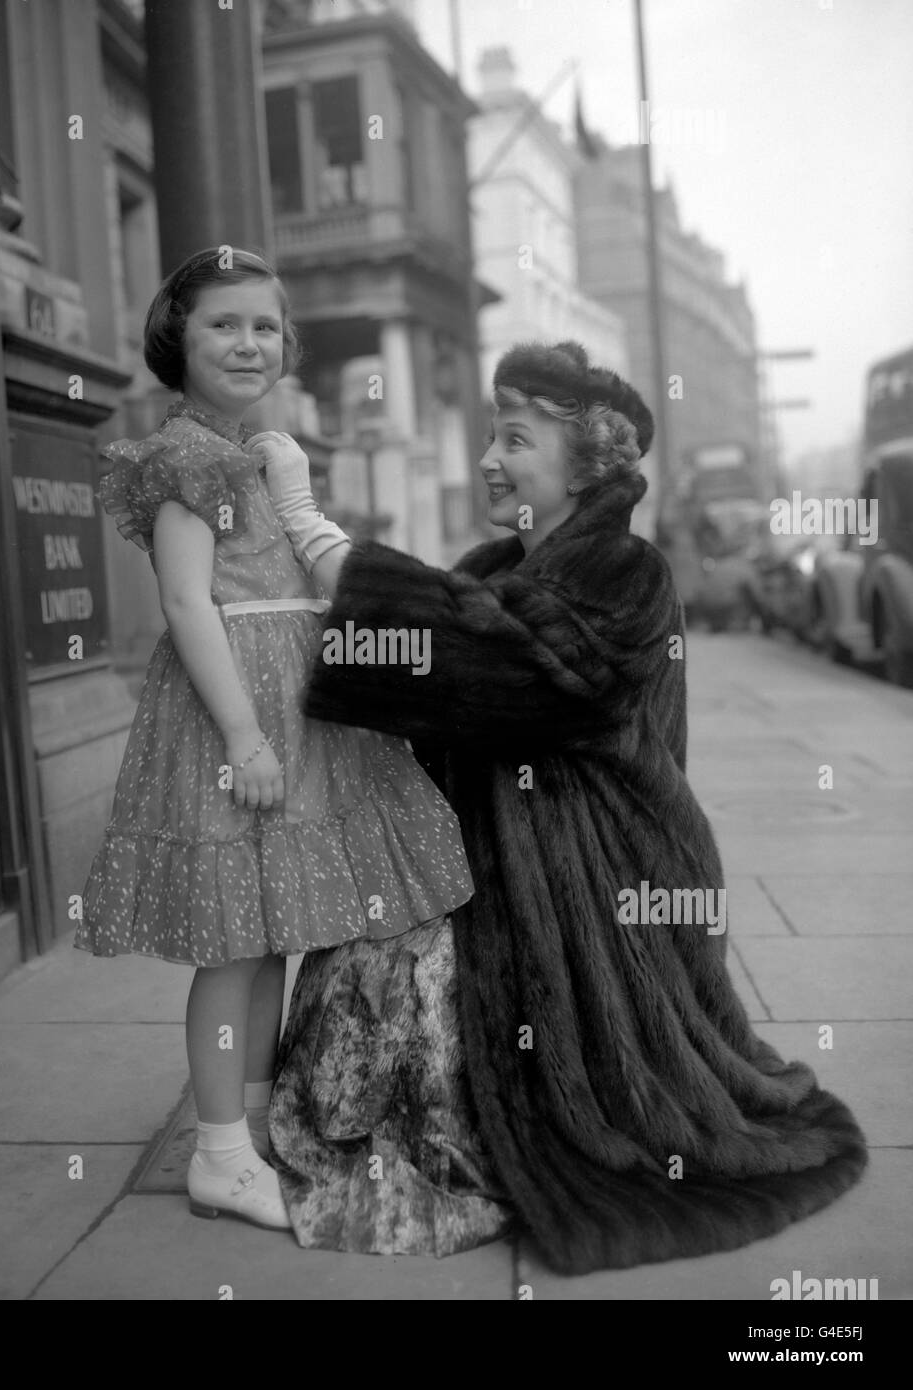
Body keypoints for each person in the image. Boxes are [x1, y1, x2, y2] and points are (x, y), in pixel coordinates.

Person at [252, 341, 867, 1272]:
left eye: (516, 439)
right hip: (492, 840)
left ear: (584, 468)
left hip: (599, 863)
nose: (491, 459)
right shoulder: (496, 560)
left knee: (464, 1038)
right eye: (491, 436)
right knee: (367, 983)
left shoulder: (629, 571)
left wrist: (319, 536)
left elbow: (515, 674)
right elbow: (446, 663)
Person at [75, 247, 473, 1231]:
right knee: (234, 945)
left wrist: (296, 496)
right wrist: (245, 735)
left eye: (265, 325)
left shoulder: (256, 450)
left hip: (294, 689)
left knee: (267, 937)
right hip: (237, 703)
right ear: (179, 336)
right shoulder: (185, 456)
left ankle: (244, 1133)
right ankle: (219, 1146)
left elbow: (315, 566)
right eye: (224, 323)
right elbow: (184, 599)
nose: (249, 341)